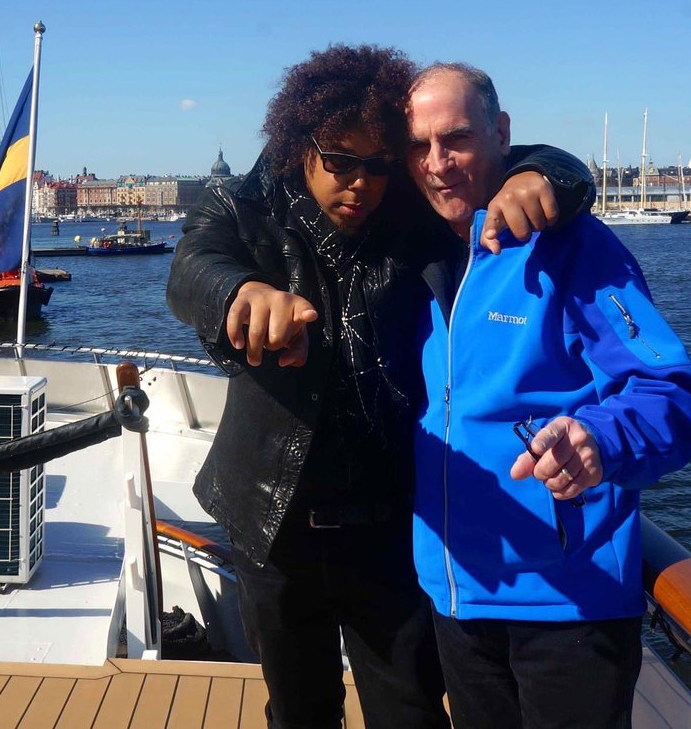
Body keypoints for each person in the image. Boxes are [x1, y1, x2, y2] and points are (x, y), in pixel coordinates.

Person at [165, 44, 595, 729]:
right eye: (340, 161)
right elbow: (193, 265)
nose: (361, 184)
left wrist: (540, 176)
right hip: (271, 522)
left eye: (378, 164)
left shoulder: (408, 207)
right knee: (299, 711)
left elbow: (556, 168)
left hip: (391, 519)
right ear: (298, 146)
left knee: (410, 708)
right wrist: (240, 292)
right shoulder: (245, 205)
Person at [404, 63, 691, 729]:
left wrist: (599, 439)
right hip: (457, 594)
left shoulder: (569, 245)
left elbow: (676, 394)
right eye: (419, 145)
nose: (436, 163)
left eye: (455, 138)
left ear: (501, 133)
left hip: (567, 604)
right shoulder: (421, 252)